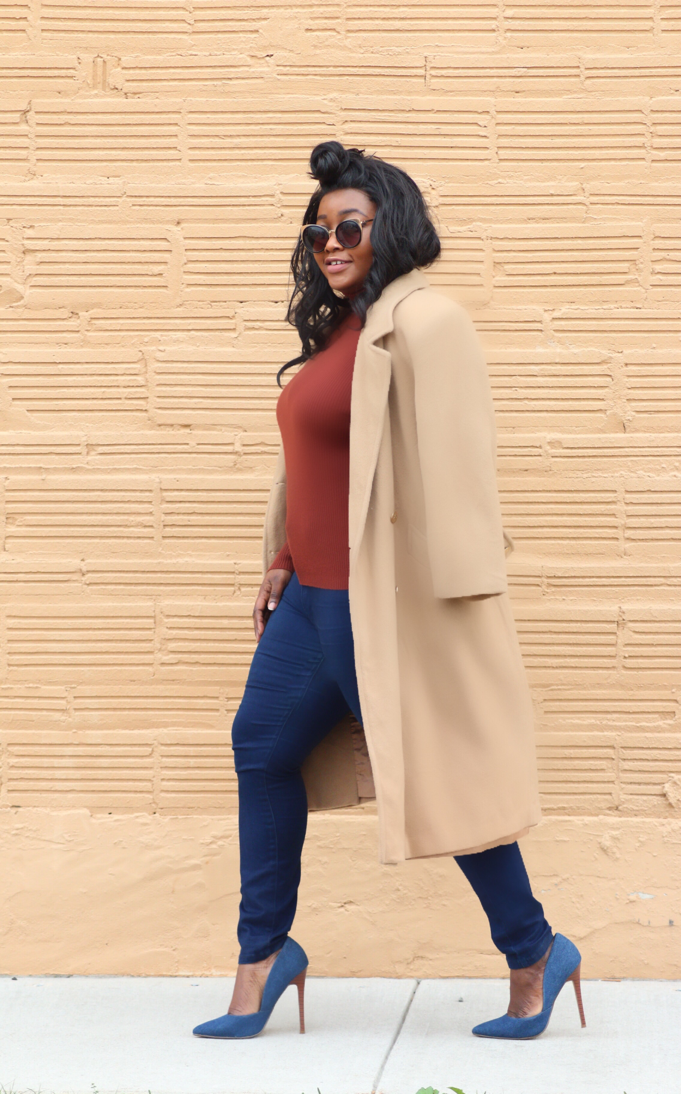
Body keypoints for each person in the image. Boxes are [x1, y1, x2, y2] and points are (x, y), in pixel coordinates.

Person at [193, 141, 586, 1042]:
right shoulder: (343, 330)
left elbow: (458, 470)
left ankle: (534, 951)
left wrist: (456, 608)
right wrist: (280, 557)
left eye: (349, 228)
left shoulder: (426, 320)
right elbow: (314, 463)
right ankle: (263, 955)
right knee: (260, 747)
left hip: (382, 603)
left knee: (439, 777)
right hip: (311, 599)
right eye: (318, 232)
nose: (330, 244)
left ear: (390, 228)